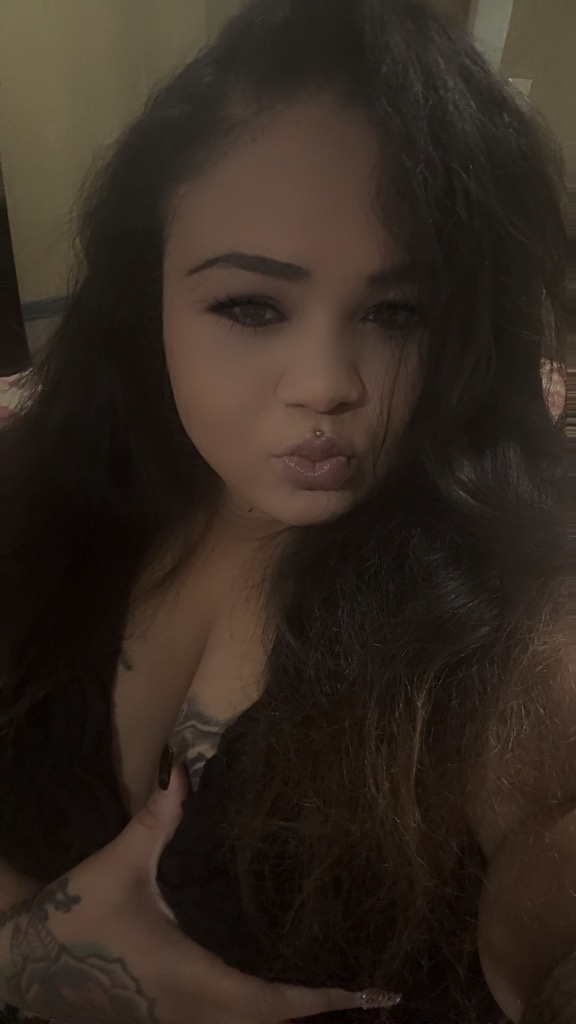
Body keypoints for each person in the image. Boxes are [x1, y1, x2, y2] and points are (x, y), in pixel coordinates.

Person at [0, 0, 572, 1021]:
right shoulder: (39, 490)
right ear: (146, 292)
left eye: (396, 313)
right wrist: (27, 954)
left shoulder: (518, 634)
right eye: (252, 306)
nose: (326, 384)